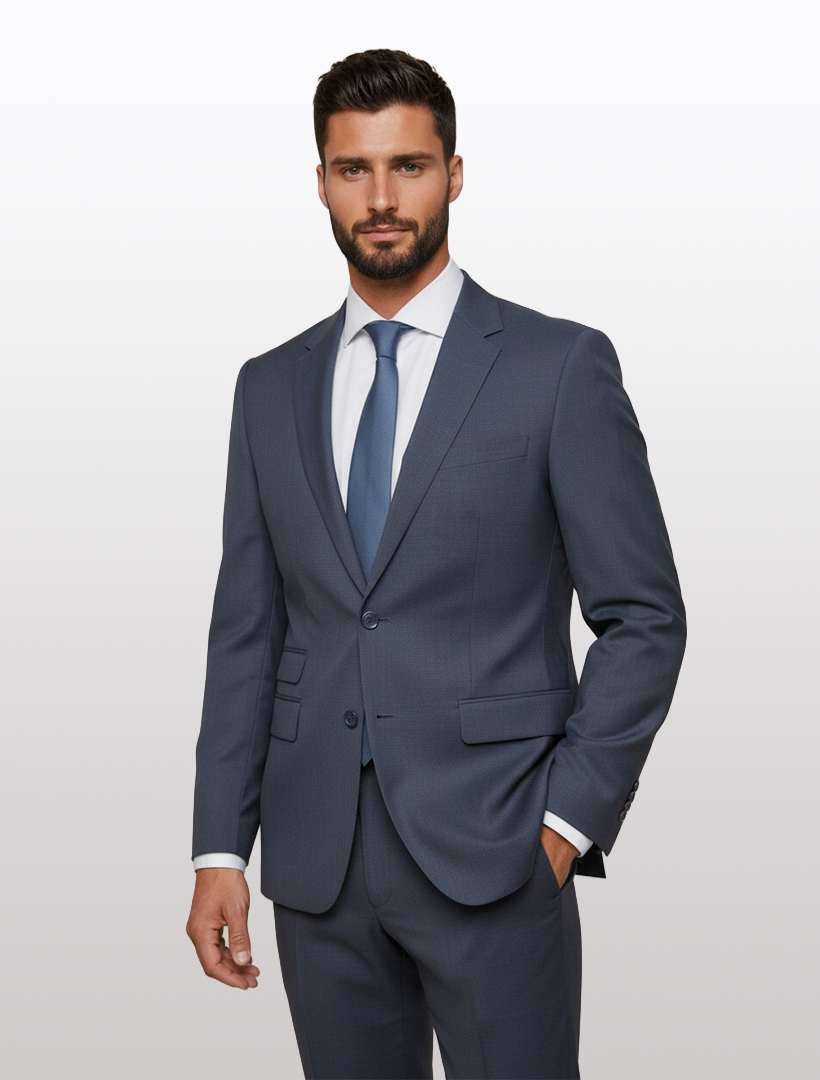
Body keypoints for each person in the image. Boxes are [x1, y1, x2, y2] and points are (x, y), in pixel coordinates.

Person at [186, 48, 686, 1080]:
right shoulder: (266, 388)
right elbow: (248, 634)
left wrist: (564, 822)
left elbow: (643, 617)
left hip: (499, 851)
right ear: (321, 182)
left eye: (408, 166)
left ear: (454, 174)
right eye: (354, 169)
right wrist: (219, 849)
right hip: (317, 866)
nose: (381, 198)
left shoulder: (557, 366)